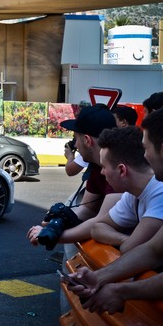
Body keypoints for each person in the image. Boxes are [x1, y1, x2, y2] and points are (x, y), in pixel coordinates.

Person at [67, 103, 163, 314]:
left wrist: (121, 291)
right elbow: (154, 249)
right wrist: (98, 277)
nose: (143, 158)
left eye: (145, 149)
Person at [27, 104, 120, 248]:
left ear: (88, 140)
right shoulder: (97, 166)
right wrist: (56, 223)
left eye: (77, 138)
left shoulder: (117, 169)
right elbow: (88, 209)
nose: (75, 144)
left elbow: (102, 221)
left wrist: (55, 235)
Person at [91, 126, 163, 254]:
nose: (102, 172)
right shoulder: (133, 194)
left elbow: (130, 248)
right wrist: (125, 239)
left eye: (104, 166)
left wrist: (127, 242)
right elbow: (97, 228)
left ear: (122, 170)